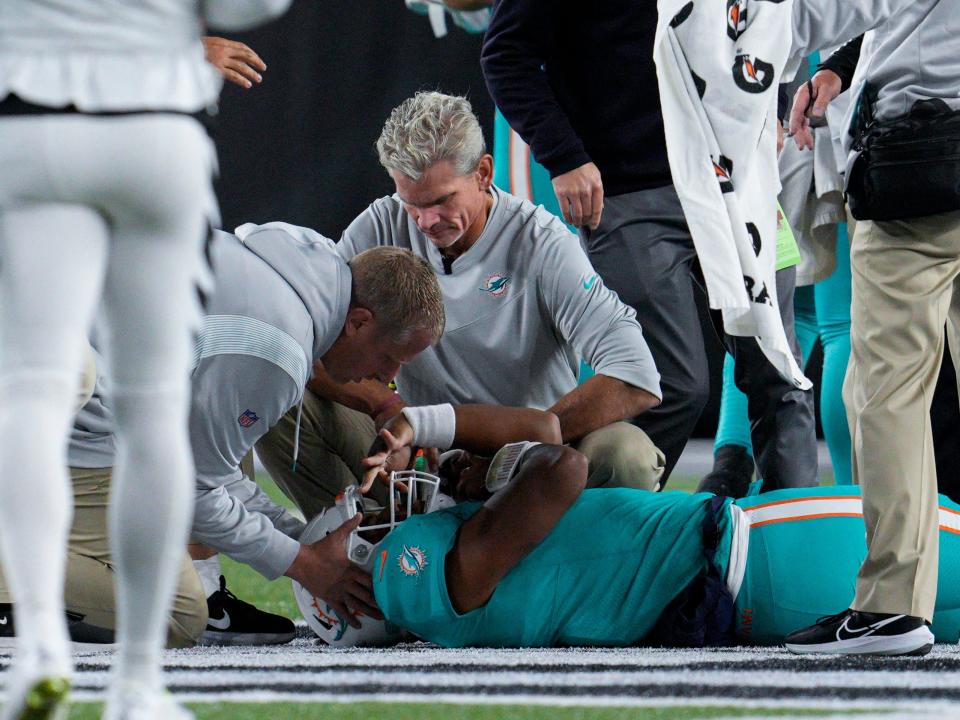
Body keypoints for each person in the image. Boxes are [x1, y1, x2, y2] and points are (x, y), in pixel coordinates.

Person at [0, 1, 291, 718]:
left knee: (32, 395)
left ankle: (38, 640)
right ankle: (135, 682)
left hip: (32, 124)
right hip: (152, 124)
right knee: (153, 408)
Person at [1, 227, 446, 652]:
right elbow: (192, 489)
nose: (388, 378)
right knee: (178, 614)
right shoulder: (278, 348)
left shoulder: (301, 264)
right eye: (390, 358)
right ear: (360, 322)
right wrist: (304, 563)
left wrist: (301, 542)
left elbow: (204, 467)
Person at [254, 91, 664, 522]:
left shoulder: (544, 245)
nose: (425, 221)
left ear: (484, 173)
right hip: (421, 459)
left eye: (441, 201)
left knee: (626, 455)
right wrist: (388, 409)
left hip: (537, 461)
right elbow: (303, 342)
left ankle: (566, 576)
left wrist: (511, 448)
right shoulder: (380, 224)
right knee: (278, 383)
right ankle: (356, 559)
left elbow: (635, 375)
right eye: (411, 204)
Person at [480, 0, 818, 489]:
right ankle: (589, 529)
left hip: (739, 185)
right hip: (632, 191)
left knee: (780, 377)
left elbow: (768, 19)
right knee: (666, 384)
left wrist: (778, 106)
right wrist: (563, 155)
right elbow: (505, 55)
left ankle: (790, 553)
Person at [353, 405, 960, 652]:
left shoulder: (433, 579)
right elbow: (560, 460)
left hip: (746, 581)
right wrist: (464, 451)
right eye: (358, 519)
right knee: (909, 514)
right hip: (751, 553)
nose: (375, 501)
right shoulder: (404, 575)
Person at [784, 0, 960, 654]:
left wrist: (747, 38)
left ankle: (893, 604)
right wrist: (838, 66)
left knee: (886, 393)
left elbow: (849, 7)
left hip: (923, 159)